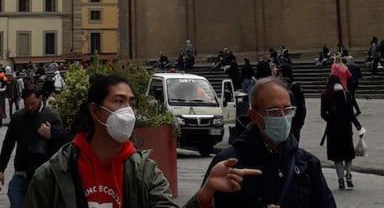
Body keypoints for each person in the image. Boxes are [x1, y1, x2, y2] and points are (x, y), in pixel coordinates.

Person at [24, 73, 248, 207]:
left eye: (130, 103)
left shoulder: (146, 173)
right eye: (118, 101)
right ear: (95, 110)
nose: (127, 111)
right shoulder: (52, 175)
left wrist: (205, 193)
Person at [205, 77, 336, 207]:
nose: (283, 117)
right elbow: (206, 200)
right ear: (254, 116)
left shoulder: (307, 164)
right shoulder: (228, 164)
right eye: (273, 112)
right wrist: (206, 193)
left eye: (287, 109)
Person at [0, 84, 65, 207]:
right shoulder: (18, 117)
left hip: (43, 174)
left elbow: (63, 146)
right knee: (15, 198)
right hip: (22, 171)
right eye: (26, 104)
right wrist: (1, 168)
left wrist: (50, 136)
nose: (29, 107)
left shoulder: (51, 116)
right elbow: (8, 143)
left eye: (32, 103)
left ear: (40, 98)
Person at [321, 75, 364, 190]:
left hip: (333, 129)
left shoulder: (325, 94)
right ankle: (349, 175)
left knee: (337, 156)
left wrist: (331, 119)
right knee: (348, 153)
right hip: (346, 128)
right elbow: (351, 113)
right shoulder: (347, 94)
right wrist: (357, 125)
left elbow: (323, 114)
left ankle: (340, 179)